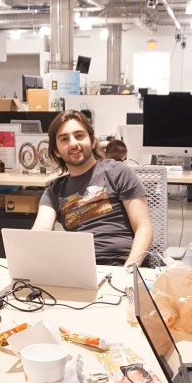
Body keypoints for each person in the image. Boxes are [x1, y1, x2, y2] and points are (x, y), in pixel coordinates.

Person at [32, 110, 152, 267]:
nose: (73, 143)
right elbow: (40, 232)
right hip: (82, 268)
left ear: (93, 141)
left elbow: (143, 227)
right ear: (56, 151)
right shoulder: (54, 191)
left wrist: (129, 270)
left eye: (79, 135)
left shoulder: (117, 172)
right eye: (64, 139)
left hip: (125, 264)